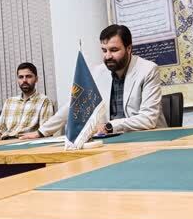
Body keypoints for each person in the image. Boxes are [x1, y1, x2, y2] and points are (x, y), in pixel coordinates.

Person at [20, 24, 167, 139]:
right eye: (104, 50)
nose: (108, 56)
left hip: (148, 138)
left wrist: (110, 126)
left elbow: (148, 119)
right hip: (113, 139)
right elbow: (74, 105)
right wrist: (41, 132)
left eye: (114, 50)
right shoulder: (98, 72)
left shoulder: (148, 70)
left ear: (129, 49)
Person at [0, 62, 54, 140]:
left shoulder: (44, 101)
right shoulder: (9, 102)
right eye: (21, 77)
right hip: (5, 142)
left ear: (36, 79)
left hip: (26, 142)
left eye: (28, 76)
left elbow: (45, 132)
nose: (24, 80)